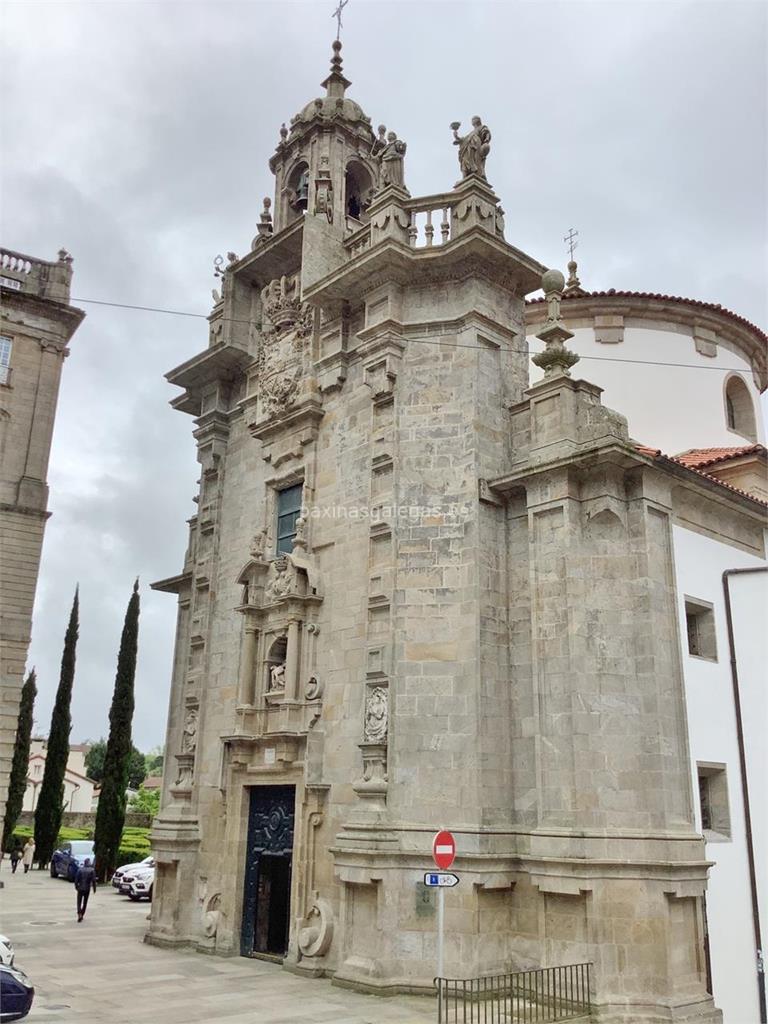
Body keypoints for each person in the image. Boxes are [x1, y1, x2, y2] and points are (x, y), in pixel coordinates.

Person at [74, 857, 97, 922]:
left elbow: (76, 879)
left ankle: (79, 914)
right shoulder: (92, 870)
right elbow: (94, 881)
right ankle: (82, 913)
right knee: (85, 902)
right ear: (89, 863)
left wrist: (76, 887)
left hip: (80, 888)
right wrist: (94, 889)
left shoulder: (80, 870)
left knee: (79, 902)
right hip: (87, 888)